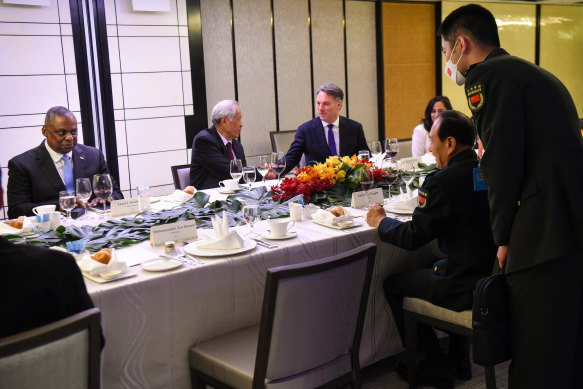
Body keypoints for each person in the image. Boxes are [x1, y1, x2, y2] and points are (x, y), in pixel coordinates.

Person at [439, 4, 583, 388]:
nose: (448, 64)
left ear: (460, 44)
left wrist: (502, 239)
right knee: (564, 345)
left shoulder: (485, 77)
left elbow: (501, 166)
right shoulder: (535, 73)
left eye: (445, 53)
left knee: (536, 352)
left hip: (539, 234)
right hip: (569, 223)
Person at [367, 110, 496, 388]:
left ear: (450, 143)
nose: (429, 147)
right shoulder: (487, 170)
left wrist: (381, 222)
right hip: (489, 279)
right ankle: (459, 360)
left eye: (432, 141)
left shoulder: (442, 180)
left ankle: (436, 365)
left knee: (394, 283)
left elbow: (414, 236)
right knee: (431, 266)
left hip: (461, 284)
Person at [0, 169, 98, 339]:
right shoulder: (55, 266)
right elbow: (92, 340)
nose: (69, 139)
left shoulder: (92, 154)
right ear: (1, 198)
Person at [7, 106, 123, 219]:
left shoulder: (94, 156)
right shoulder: (22, 165)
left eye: (74, 132)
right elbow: (16, 210)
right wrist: (60, 206)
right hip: (50, 234)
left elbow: (117, 194)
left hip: (94, 229)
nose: (70, 138)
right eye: (61, 133)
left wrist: (108, 199)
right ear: (45, 131)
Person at [283, 83, 369, 174]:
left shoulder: (354, 128)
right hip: (318, 184)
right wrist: (274, 170)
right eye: (318, 103)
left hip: (350, 185)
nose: (320, 108)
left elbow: (365, 158)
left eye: (326, 104)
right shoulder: (305, 130)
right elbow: (291, 158)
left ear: (339, 104)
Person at [190, 100, 247, 190]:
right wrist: (263, 173)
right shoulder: (204, 141)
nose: (241, 124)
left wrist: (265, 172)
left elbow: (243, 175)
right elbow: (230, 173)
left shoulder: (236, 145)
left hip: (236, 197)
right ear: (224, 121)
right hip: (210, 200)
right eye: (238, 119)